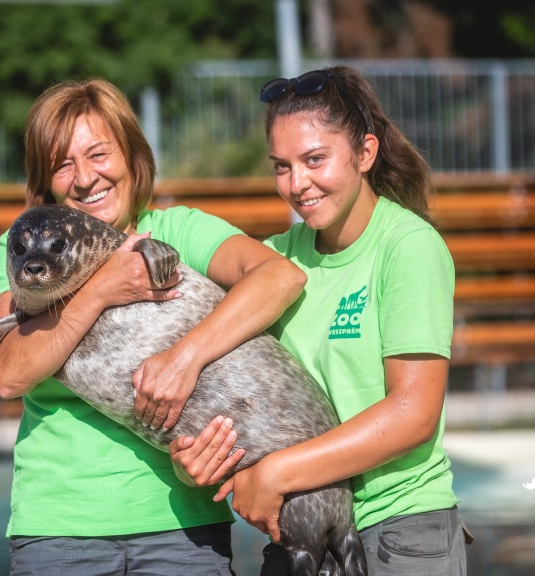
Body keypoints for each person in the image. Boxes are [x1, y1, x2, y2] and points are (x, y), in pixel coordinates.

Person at [0, 78, 306, 575]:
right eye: (62, 164)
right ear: (45, 180)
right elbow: (9, 374)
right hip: (60, 529)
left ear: (133, 157)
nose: (85, 178)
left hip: (182, 528)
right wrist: (103, 288)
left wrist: (186, 356)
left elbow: (279, 277)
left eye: (98, 154)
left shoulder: (179, 231)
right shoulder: (28, 246)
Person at [169, 65, 471, 575]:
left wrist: (276, 473)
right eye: (281, 166)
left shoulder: (408, 246)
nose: (298, 184)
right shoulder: (275, 262)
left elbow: (414, 415)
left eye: (314, 160)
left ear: (365, 154)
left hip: (400, 529)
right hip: (301, 530)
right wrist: (190, 461)